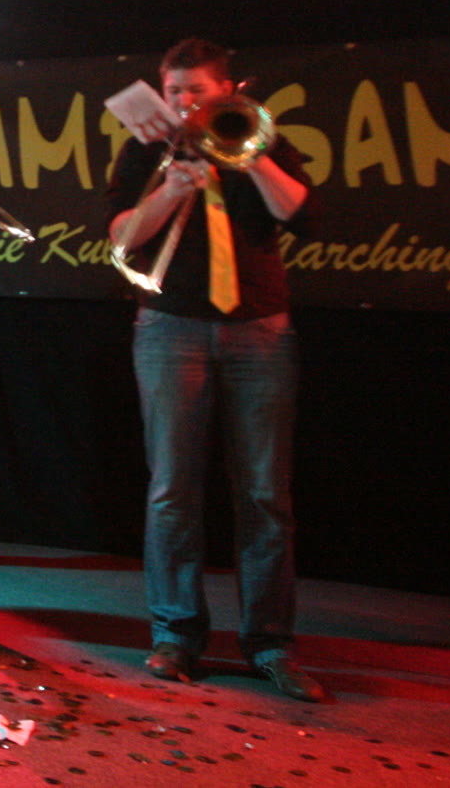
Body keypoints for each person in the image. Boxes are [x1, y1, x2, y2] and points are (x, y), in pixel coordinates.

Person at [106, 37, 324, 701]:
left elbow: (303, 215)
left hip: (260, 329)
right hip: (170, 329)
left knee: (264, 494)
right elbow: (121, 238)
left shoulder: (261, 137)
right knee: (172, 489)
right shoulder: (145, 151)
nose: (182, 102)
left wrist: (250, 155)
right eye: (173, 91)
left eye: (195, 90)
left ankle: (270, 642)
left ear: (227, 91)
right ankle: (175, 634)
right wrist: (171, 188)